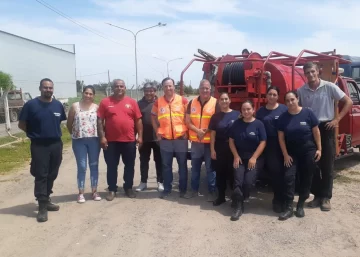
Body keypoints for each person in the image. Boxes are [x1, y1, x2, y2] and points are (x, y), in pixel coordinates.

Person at [297, 62, 353, 211]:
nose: (310, 75)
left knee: (327, 165)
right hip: (310, 129)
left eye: (312, 71)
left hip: (326, 127)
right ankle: (316, 196)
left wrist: (336, 120)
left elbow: (348, 101)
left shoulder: (329, 86)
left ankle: (326, 197)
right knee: (312, 164)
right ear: (304, 74)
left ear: (318, 71)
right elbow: (298, 110)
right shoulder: (301, 91)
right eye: (307, 72)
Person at [18, 78, 66, 222]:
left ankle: (47, 198)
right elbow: (21, 124)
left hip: (56, 144)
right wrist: (35, 134)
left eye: (50, 88)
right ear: (40, 88)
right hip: (39, 145)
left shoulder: (58, 105)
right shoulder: (31, 105)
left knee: (52, 172)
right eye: (45, 88)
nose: (48, 90)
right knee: (41, 174)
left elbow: (58, 122)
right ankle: (42, 207)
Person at [277, 90, 322, 220]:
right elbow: (281, 138)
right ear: (285, 103)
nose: (290, 102)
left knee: (306, 177)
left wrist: (319, 149)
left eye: (292, 99)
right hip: (291, 153)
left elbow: (316, 132)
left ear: (297, 99)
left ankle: (301, 205)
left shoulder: (308, 113)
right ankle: (289, 207)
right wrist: (285, 154)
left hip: (308, 151)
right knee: (288, 177)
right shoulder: (283, 117)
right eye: (287, 101)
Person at [97, 79, 143, 201]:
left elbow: (138, 120)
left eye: (121, 86)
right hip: (111, 141)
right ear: (113, 88)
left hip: (129, 140)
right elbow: (100, 120)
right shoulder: (105, 102)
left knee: (129, 165)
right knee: (111, 166)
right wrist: (102, 137)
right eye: (116, 86)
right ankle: (112, 189)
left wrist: (140, 136)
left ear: (125, 88)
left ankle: (128, 187)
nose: (119, 88)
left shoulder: (132, 102)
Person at [228, 100, 267, 221]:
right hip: (239, 157)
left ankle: (239, 198)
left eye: (248, 109)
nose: (246, 111)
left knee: (248, 182)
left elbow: (263, 142)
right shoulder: (236, 124)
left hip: (254, 158)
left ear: (253, 110)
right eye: (244, 109)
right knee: (238, 180)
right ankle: (239, 207)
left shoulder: (259, 124)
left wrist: (254, 157)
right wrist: (235, 155)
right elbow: (231, 141)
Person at [151, 77, 189, 199]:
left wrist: (186, 131)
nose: (168, 88)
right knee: (166, 165)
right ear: (162, 88)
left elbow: (189, 117)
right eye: (166, 86)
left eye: (170, 85)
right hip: (165, 140)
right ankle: (167, 189)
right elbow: (153, 117)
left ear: (174, 86)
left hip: (180, 139)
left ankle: (183, 189)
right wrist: (157, 131)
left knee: (182, 165)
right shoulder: (158, 102)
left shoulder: (183, 100)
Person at [184, 79, 217, 201]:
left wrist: (206, 131)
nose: (205, 90)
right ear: (199, 89)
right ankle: (194, 190)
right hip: (196, 143)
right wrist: (198, 131)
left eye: (207, 88)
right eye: (203, 88)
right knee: (195, 167)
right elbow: (187, 121)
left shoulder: (215, 103)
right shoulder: (191, 102)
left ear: (210, 89)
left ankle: (212, 192)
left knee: (210, 168)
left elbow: (217, 122)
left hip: (210, 143)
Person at [66, 85, 101, 203]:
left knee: (94, 165)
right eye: (86, 93)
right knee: (82, 166)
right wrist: (75, 134)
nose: (88, 96)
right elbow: (69, 124)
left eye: (91, 94)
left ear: (93, 95)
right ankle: (81, 192)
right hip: (79, 141)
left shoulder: (96, 107)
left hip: (94, 140)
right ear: (83, 93)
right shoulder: (75, 106)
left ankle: (94, 191)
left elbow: (101, 124)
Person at [256, 86, 288, 213]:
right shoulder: (260, 112)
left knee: (281, 172)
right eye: (270, 94)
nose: (272, 97)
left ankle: (281, 199)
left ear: (278, 96)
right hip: (266, 143)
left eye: (275, 94)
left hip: (281, 143)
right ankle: (277, 199)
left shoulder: (284, 110)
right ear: (266, 96)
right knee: (273, 172)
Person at [209, 92, 240, 206]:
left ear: (230, 100)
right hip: (220, 148)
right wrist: (212, 150)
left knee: (233, 174)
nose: (224, 101)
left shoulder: (237, 115)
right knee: (220, 173)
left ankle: (234, 198)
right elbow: (212, 135)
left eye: (226, 99)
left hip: (234, 149)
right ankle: (221, 197)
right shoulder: (215, 117)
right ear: (219, 101)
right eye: (222, 99)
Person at [136, 82, 164, 192]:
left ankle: (160, 182)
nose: (149, 93)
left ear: (155, 91)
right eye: (147, 90)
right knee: (143, 161)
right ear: (144, 91)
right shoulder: (139, 104)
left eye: (151, 90)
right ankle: (143, 182)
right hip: (144, 138)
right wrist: (138, 137)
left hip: (158, 137)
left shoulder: (160, 103)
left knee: (159, 160)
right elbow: (136, 122)